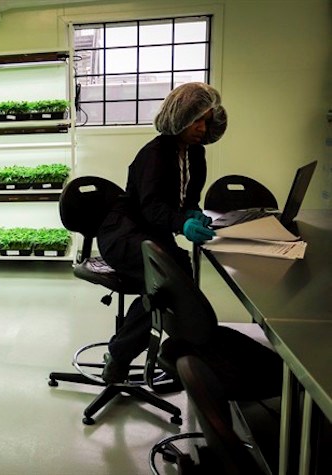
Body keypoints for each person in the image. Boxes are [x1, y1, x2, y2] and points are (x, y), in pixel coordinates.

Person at [97, 82, 228, 384]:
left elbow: (188, 197)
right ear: (178, 117)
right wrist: (181, 224)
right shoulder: (154, 155)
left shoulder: (196, 154)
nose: (201, 127)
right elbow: (152, 207)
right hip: (123, 234)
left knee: (174, 278)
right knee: (168, 285)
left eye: (206, 120)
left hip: (151, 233)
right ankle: (119, 356)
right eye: (196, 119)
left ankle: (176, 351)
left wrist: (192, 213)